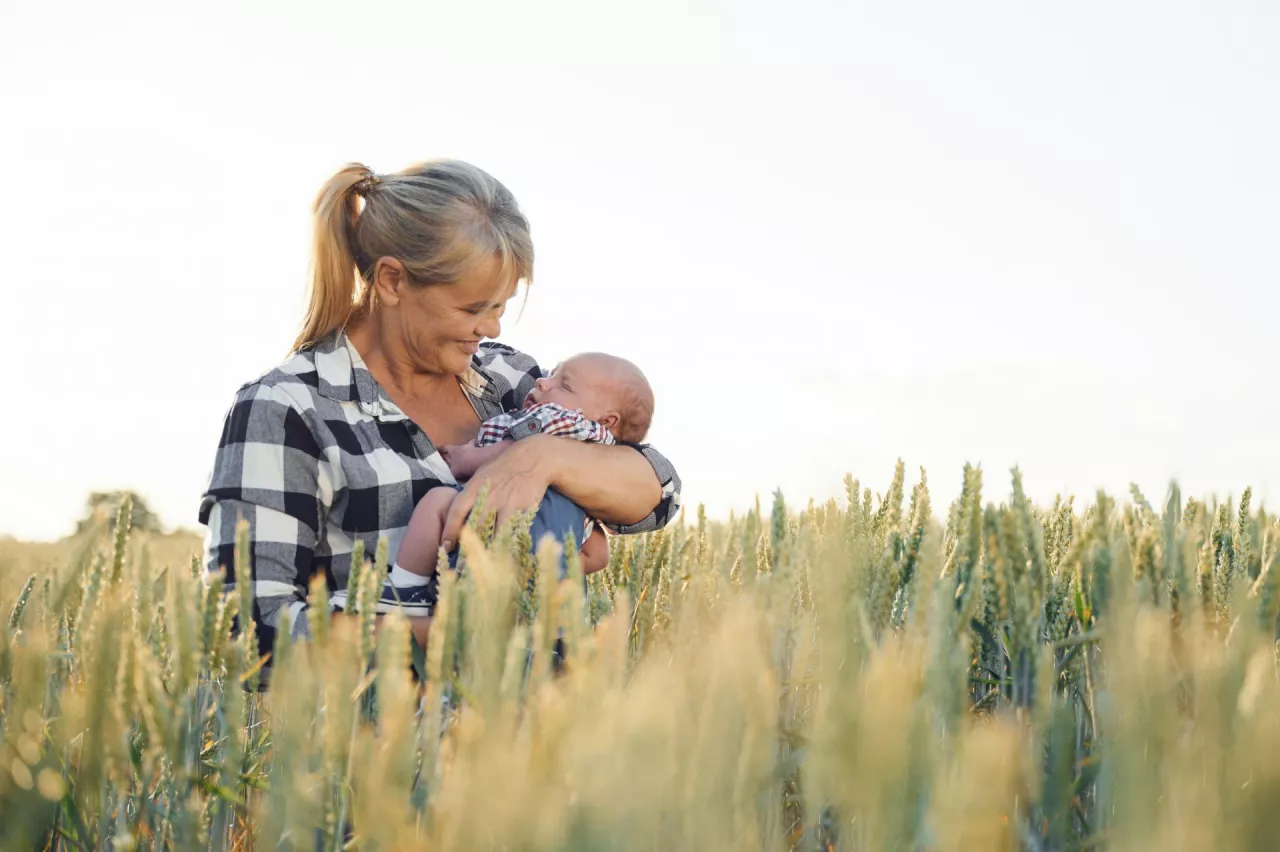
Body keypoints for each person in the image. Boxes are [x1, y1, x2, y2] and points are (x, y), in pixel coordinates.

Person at [198, 160, 681, 676]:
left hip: (539, 743)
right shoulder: (287, 409)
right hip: (379, 748)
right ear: (391, 281)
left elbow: (658, 492)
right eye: (474, 308)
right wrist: (465, 638)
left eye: (501, 306)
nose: (491, 327)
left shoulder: (508, 379)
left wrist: (543, 458)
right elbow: (246, 630)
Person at [381, 352, 655, 614]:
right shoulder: (592, 468)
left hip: (491, 531)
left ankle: (406, 589)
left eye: (565, 385)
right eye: (552, 373)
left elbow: (518, 451)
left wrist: (466, 458)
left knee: (437, 502)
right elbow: (599, 556)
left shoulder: (568, 423)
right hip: (537, 593)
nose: (542, 381)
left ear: (606, 420)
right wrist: (550, 568)